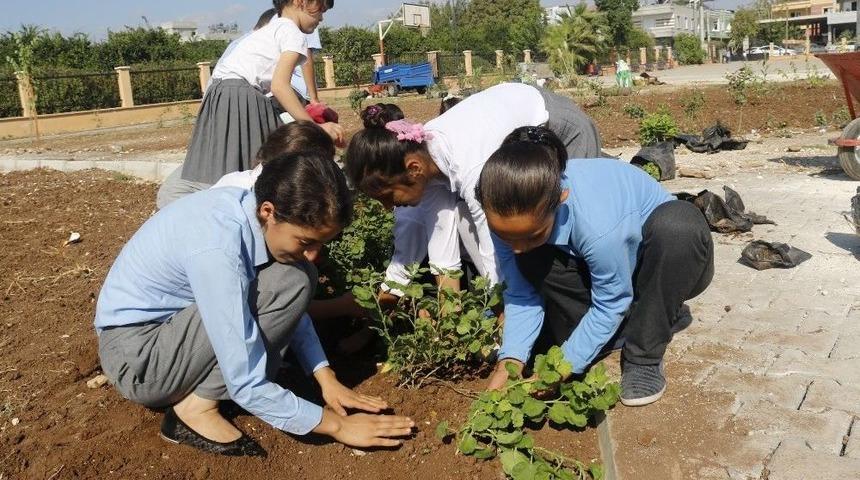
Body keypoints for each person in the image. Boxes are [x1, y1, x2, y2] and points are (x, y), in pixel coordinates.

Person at [95, 152, 413, 457]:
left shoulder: (244, 211)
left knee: (296, 276)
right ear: (268, 211)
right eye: (306, 242)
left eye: (321, 243)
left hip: (167, 335)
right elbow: (245, 379)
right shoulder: (218, 246)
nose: (315, 254)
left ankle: (202, 390)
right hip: (141, 360)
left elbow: (281, 299)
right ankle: (196, 407)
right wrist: (337, 425)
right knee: (295, 278)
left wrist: (324, 376)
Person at [474, 126, 714, 406]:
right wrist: (509, 363)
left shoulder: (597, 224)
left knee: (677, 227)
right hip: (602, 266)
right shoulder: (508, 215)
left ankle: (644, 354)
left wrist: (559, 370)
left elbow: (611, 301)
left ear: (560, 201)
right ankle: (631, 322)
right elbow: (520, 293)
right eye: (506, 236)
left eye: (531, 234)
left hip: (666, 266)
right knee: (532, 260)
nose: (515, 247)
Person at [344, 82, 603, 293]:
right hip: (511, 128)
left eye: (387, 196)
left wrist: (502, 301)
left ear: (413, 169)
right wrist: (448, 308)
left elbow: (492, 240)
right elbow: (437, 233)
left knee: (570, 223)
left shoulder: (471, 166)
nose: (388, 207)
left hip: (557, 127)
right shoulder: (423, 159)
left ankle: (599, 306)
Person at [170, 0, 344, 204]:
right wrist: (316, 128)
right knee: (258, 165)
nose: (321, 18)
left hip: (221, 94)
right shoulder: (293, 33)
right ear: (300, 2)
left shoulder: (273, 27)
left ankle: (223, 208)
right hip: (239, 95)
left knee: (229, 167)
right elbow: (280, 86)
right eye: (320, 10)